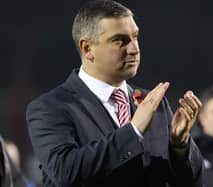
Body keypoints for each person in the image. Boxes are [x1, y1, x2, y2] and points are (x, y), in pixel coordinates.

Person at [26, 0, 203, 186]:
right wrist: (133, 131)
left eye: (135, 37)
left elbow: (193, 182)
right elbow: (65, 172)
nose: (134, 49)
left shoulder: (155, 104)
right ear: (87, 48)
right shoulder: (50, 108)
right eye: (120, 40)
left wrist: (180, 144)